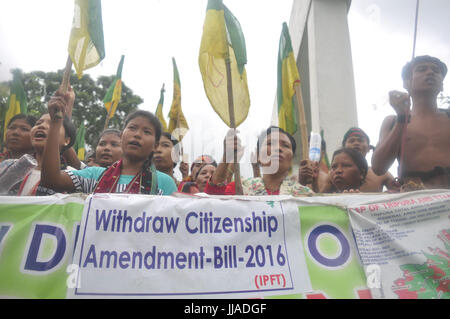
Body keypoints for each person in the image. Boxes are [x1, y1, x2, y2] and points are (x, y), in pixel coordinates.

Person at [40, 89, 177, 196]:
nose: (137, 134)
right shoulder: (95, 175)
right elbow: (51, 180)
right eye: (132, 128)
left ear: (155, 145)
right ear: (122, 136)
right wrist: (56, 122)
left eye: (147, 132)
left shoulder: (164, 184)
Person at [372, 55, 450, 190]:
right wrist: (402, 118)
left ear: (442, 85)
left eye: (436, 71)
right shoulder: (392, 122)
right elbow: (378, 167)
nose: (430, 72)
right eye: (421, 69)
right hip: (413, 205)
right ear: (406, 83)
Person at [205, 126, 313, 196]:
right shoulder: (241, 188)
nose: (278, 148)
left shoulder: (305, 195)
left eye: (285, 145)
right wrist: (226, 158)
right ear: (258, 157)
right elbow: (213, 196)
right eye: (270, 143)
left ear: (291, 160)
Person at [0, 111, 76, 195]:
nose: (41, 126)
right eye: (38, 123)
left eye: (52, 124)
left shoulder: (73, 176)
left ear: (66, 140)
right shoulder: (8, 166)